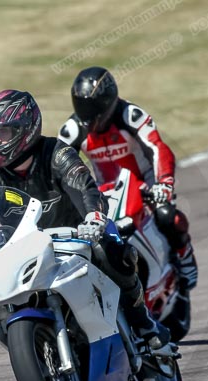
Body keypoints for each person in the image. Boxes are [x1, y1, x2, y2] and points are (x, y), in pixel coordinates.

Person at [0, 89, 169, 349]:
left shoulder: (57, 153)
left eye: (2, 133)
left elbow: (85, 187)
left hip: (79, 236)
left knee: (113, 252)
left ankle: (144, 324)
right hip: (24, 252)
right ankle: (37, 349)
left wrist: (94, 217)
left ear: (26, 130)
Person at [58, 66, 198, 294]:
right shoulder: (73, 129)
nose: (89, 119)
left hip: (145, 187)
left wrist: (164, 183)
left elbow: (158, 148)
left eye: (93, 110)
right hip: (104, 193)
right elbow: (59, 166)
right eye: (82, 108)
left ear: (108, 103)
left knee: (167, 216)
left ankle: (185, 258)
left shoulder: (130, 116)